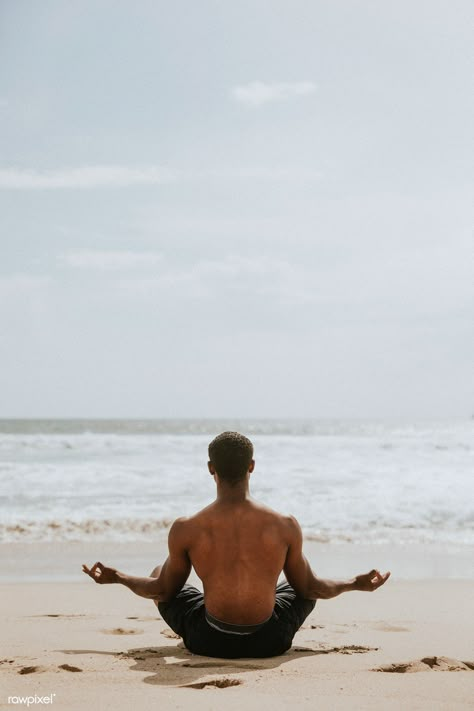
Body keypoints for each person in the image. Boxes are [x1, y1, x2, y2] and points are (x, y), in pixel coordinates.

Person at [83, 431, 390, 659]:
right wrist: (354, 583)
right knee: (301, 583)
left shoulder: (187, 528)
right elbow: (312, 589)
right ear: (252, 466)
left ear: (210, 468)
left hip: (209, 642)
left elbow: (162, 591)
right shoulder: (284, 525)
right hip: (270, 642)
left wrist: (118, 577)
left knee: (159, 573)